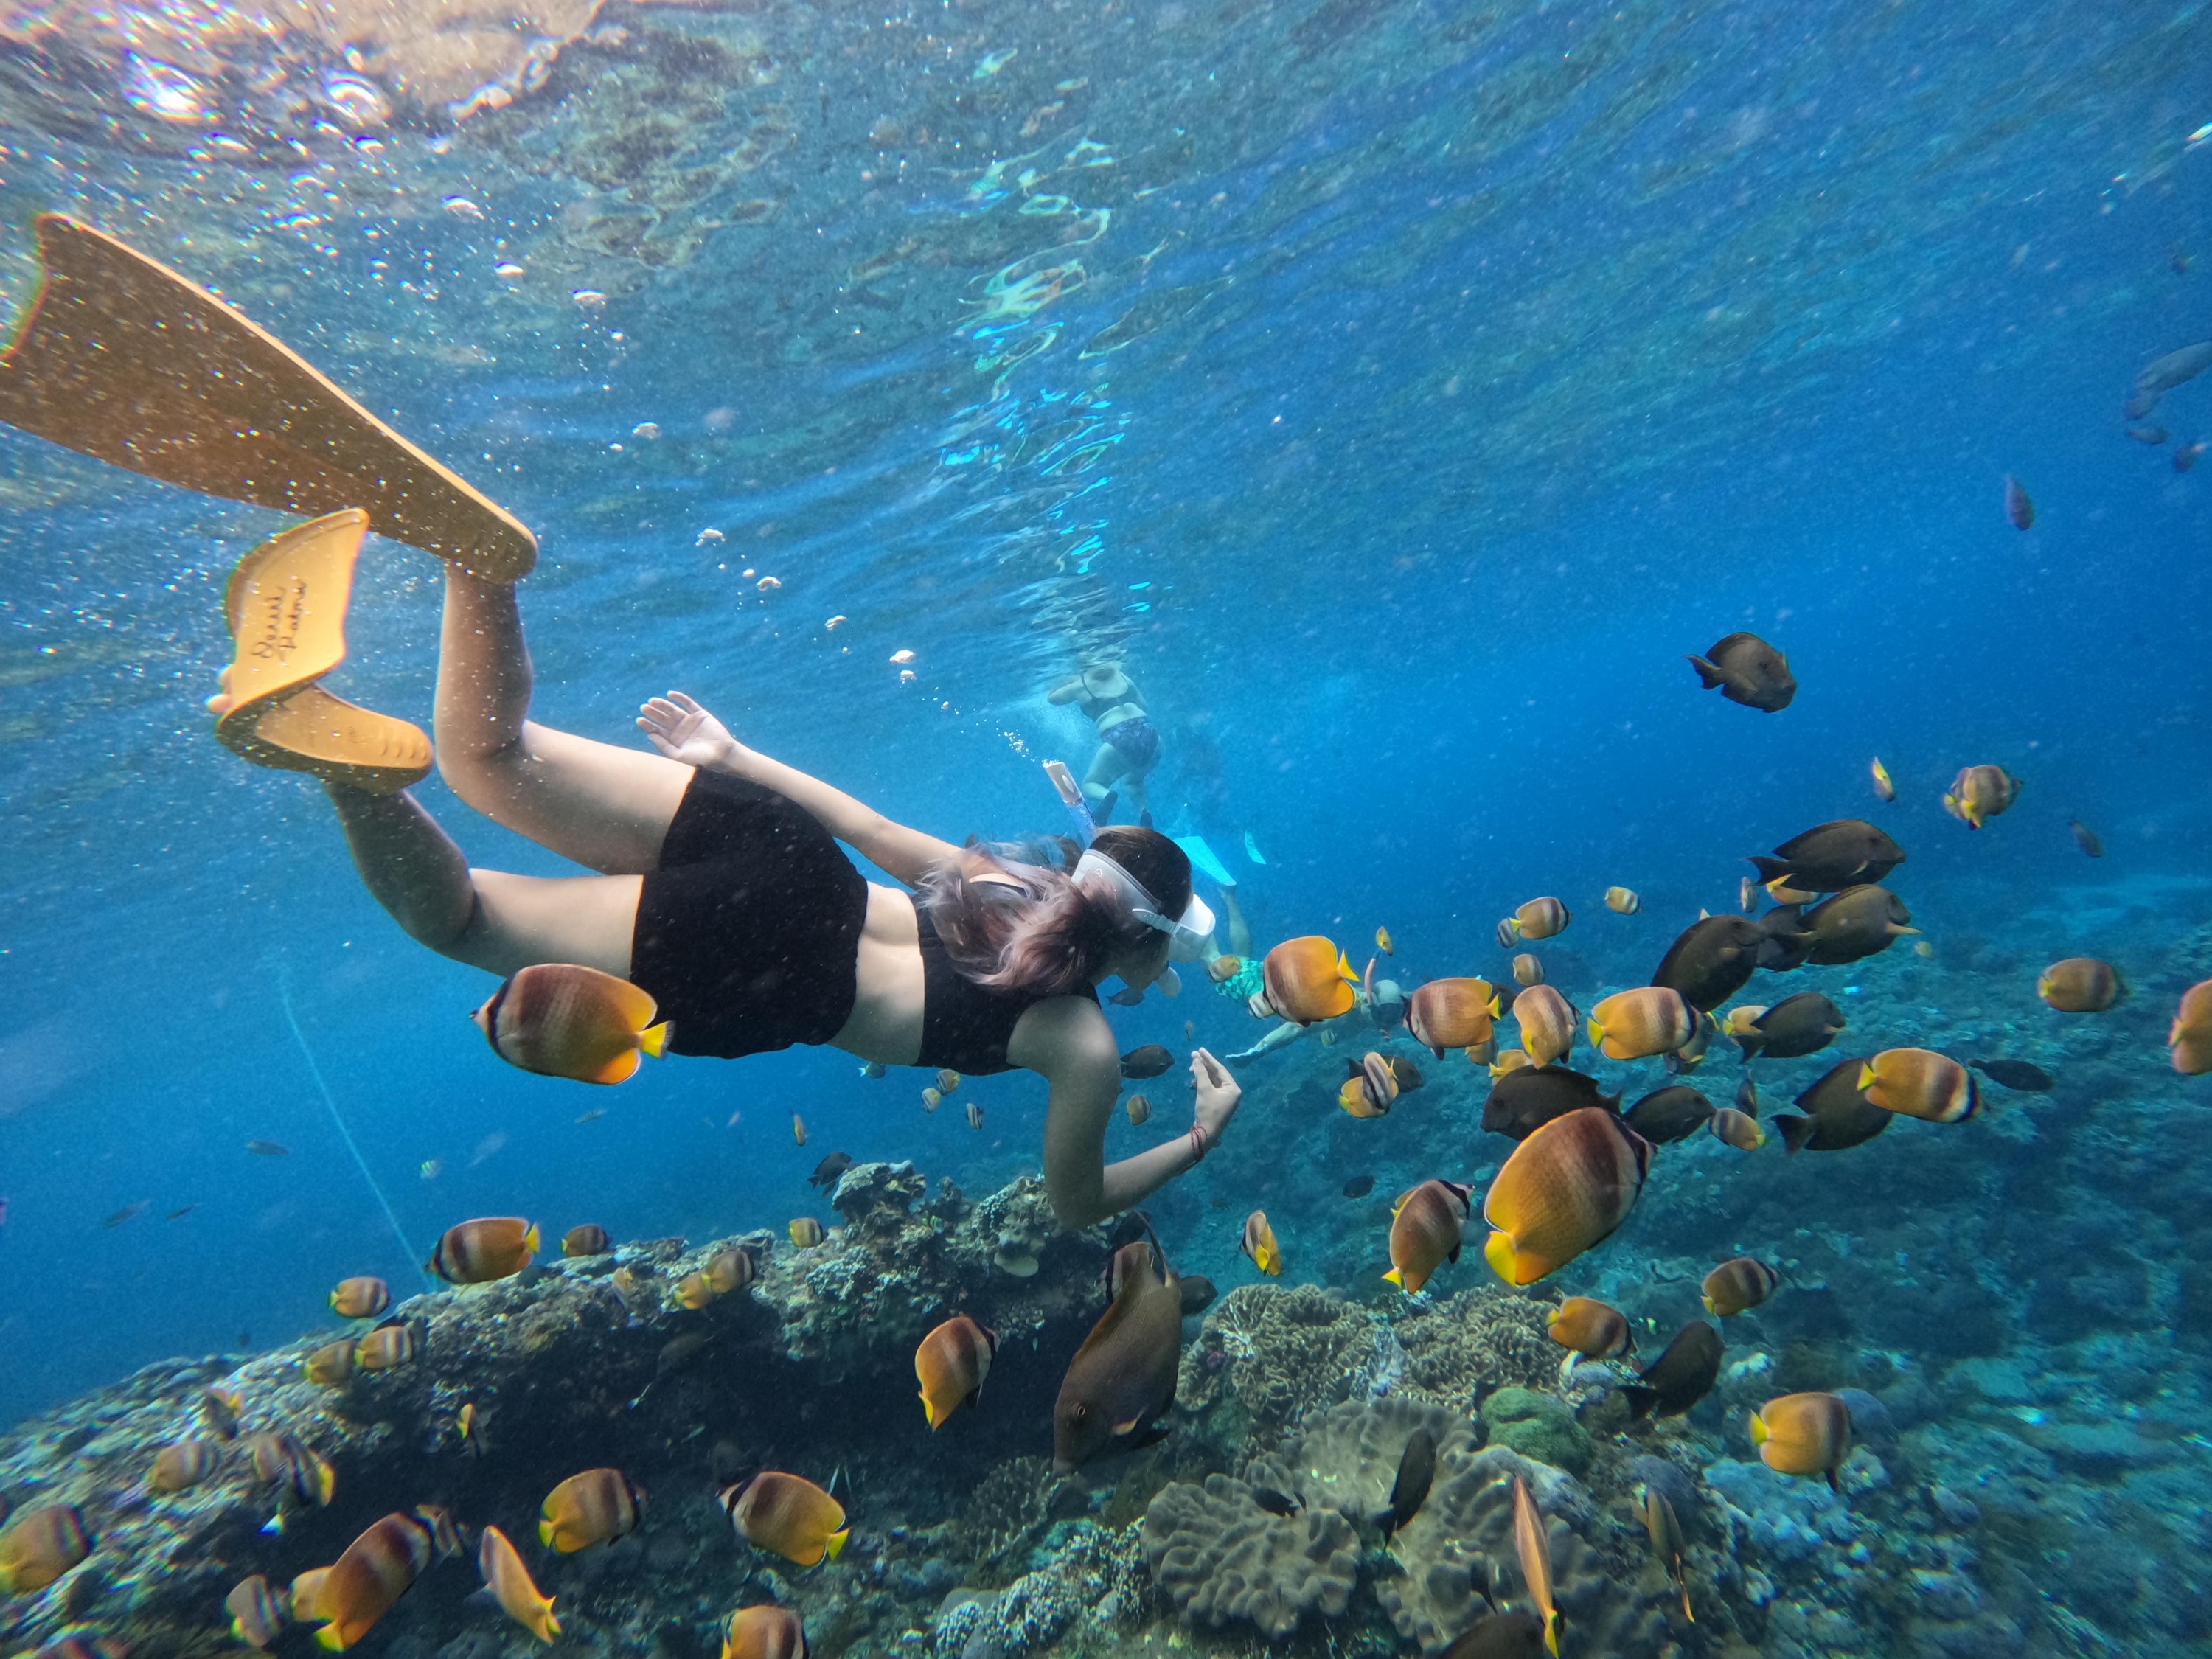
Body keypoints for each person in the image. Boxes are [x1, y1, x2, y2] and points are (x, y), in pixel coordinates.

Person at [0, 215, 1240, 1231]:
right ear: (1145, 956)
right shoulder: (1077, 1041)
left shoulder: (1011, 878)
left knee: (494, 756)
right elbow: (1074, 1207)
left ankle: (473, 562)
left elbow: (858, 821)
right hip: (765, 969)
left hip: (785, 857)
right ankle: (354, 779)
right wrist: (1194, 1138)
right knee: (464, 917)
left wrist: (730, 757)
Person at [1046, 663, 1160, 824]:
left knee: (1090, 784)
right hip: (1149, 732)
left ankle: (1108, 796)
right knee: (1134, 781)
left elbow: (1053, 699)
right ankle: (1143, 812)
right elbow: (1144, 706)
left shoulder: (1081, 686)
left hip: (1119, 735)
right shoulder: (1123, 678)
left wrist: (1064, 680)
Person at [1225, 977, 1406, 1064]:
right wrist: (1257, 1052)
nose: (1387, 1023)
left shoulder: (1398, 1005)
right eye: (1384, 1014)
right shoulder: (1344, 1011)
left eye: (1395, 1015)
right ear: (1369, 1001)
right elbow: (1294, 1029)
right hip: (1274, 998)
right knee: (1238, 986)